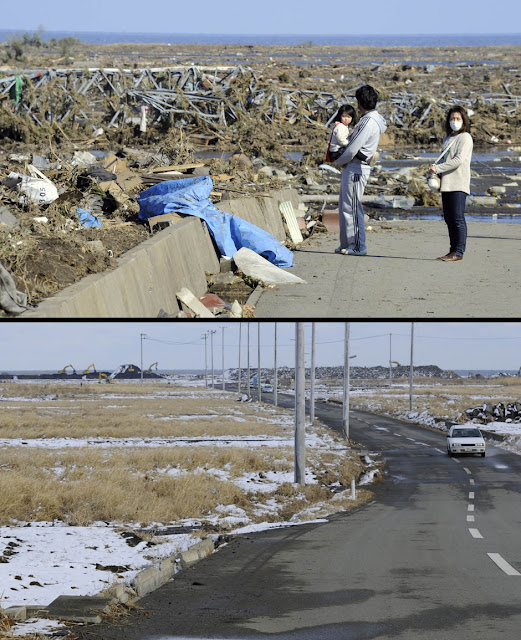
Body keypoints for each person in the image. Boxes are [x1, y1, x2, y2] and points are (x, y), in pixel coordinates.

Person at [334, 85, 387, 256]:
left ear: (359, 102)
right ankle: (347, 243)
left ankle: (357, 245)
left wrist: (339, 161)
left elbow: (352, 148)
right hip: (355, 167)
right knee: (345, 206)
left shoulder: (367, 121)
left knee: (352, 208)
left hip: (357, 168)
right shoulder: (373, 119)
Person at [428, 106, 473, 262]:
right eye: (452, 119)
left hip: (459, 182)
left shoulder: (465, 137)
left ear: (464, 121)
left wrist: (438, 168)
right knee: (448, 217)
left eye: (458, 119)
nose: (455, 122)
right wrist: (434, 170)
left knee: (457, 218)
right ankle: (452, 250)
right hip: (446, 183)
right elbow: (444, 158)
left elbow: (458, 160)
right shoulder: (448, 138)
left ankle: (459, 251)